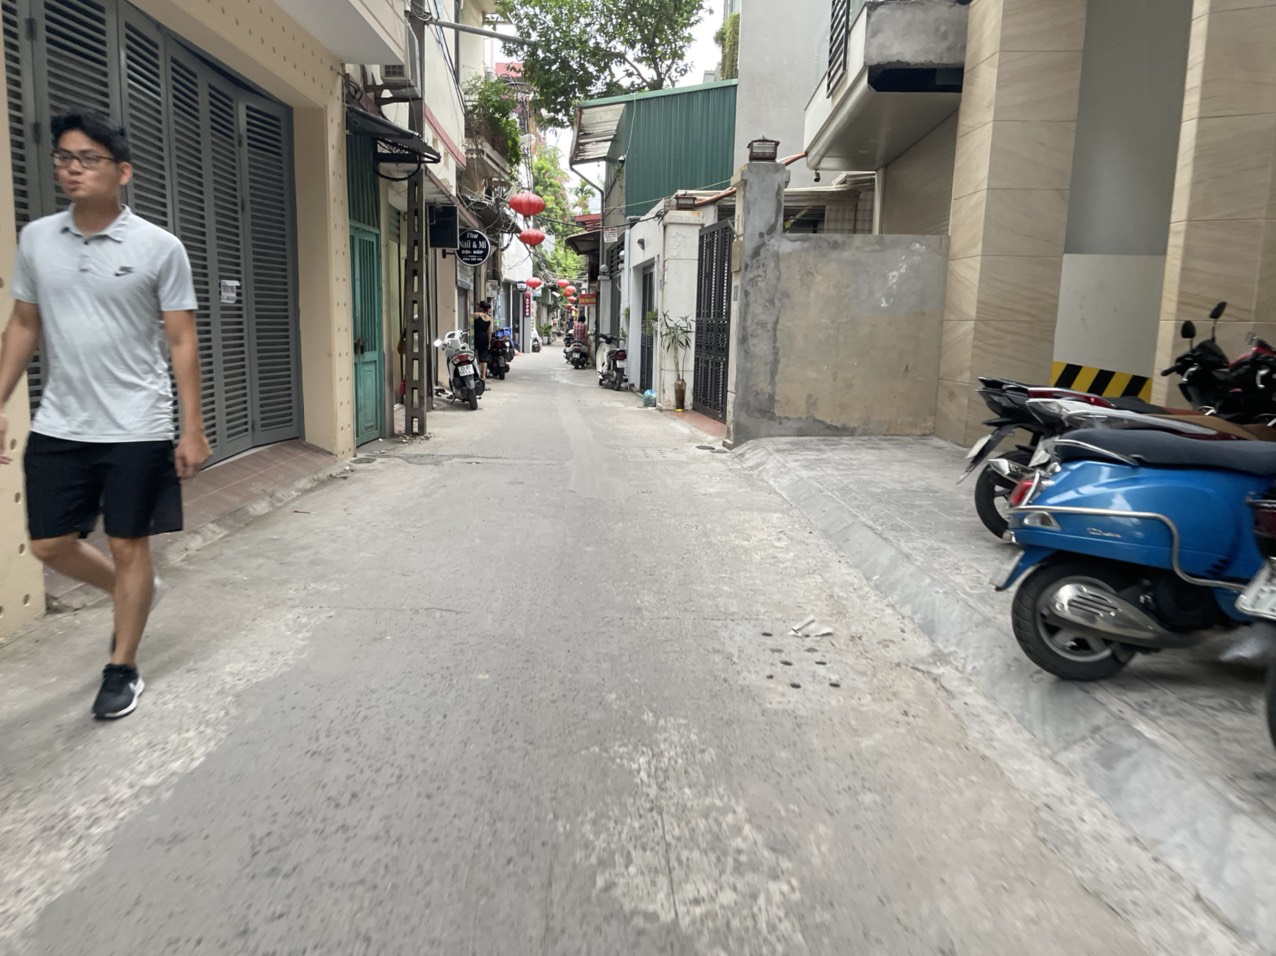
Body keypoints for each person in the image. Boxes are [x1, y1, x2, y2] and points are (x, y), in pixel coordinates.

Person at [0, 111, 210, 720]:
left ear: (122, 172)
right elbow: (23, 325)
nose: (73, 168)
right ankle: (133, 594)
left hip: (137, 425)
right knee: (48, 544)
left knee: (127, 545)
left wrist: (192, 428)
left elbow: (181, 341)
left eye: (88, 158)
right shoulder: (37, 239)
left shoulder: (159, 247)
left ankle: (122, 667)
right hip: (59, 422)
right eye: (64, 157)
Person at [472, 300, 493, 382]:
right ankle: (483, 376)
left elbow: (469, 324)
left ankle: (473, 373)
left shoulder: (476, 315)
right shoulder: (489, 319)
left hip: (476, 337)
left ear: (481, 307)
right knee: (484, 358)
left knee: (472, 355)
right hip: (484, 338)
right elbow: (489, 332)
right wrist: (489, 343)